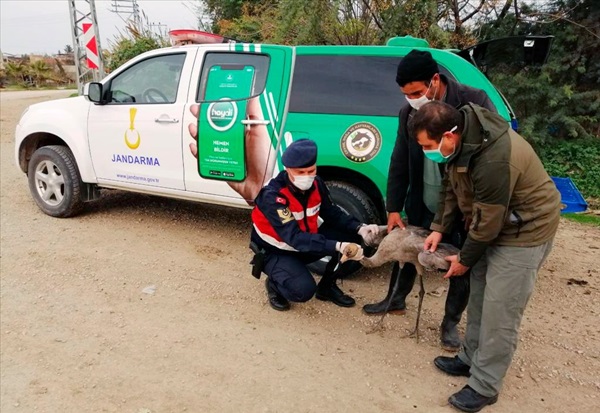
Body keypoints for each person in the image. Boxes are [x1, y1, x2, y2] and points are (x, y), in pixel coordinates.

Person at [409, 101, 560, 412]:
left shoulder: (493, 159)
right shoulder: (460, 144)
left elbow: (488, 225)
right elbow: (452, 187)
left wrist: (463, 260)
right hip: (494, 224)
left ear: (448, 137)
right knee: (479, 294)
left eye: (427, 145)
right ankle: (469, 358)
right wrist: (438, 228)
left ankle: (485, 385)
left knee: (500, 310)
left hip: (525, 231)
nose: (426, 151)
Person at [363, 49, 497, 351]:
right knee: (406, 248)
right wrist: (394, 207)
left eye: (416, 92)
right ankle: (395, 300)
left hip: (462, 205)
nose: (412, 99)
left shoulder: (473, 101)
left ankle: (449, 323)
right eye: (406, 94)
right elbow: (399, 158)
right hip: (424, 198)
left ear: (435, 80)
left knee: (458, 262)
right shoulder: (408, 112)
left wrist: (475, 207)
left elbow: (490, 157)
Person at [249, 139, 380, 311]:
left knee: (353, 236)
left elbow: (331, 213)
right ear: (288, 170)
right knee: (303, 291)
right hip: (276, 250)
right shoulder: (273, 197)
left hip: (305, 241)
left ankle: (326, 287)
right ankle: (274, 284)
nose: (307, 176)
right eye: (300, 172)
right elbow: (294, 238)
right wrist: (337, 246)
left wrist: (360, 227)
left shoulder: (316, 183)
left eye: (311, 170)